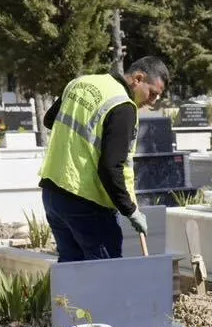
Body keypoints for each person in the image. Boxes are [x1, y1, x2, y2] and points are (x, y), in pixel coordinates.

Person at [38, 57, 170, 261]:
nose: (152, 101)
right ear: (137, 78)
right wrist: (130, 210)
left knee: (72, 271)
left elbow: (49, 120)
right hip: (86, 201)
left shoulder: (80, 83)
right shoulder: (122, 106)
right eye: (152, 93)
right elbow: (111, 168)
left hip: (53, 194)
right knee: (106, 274)